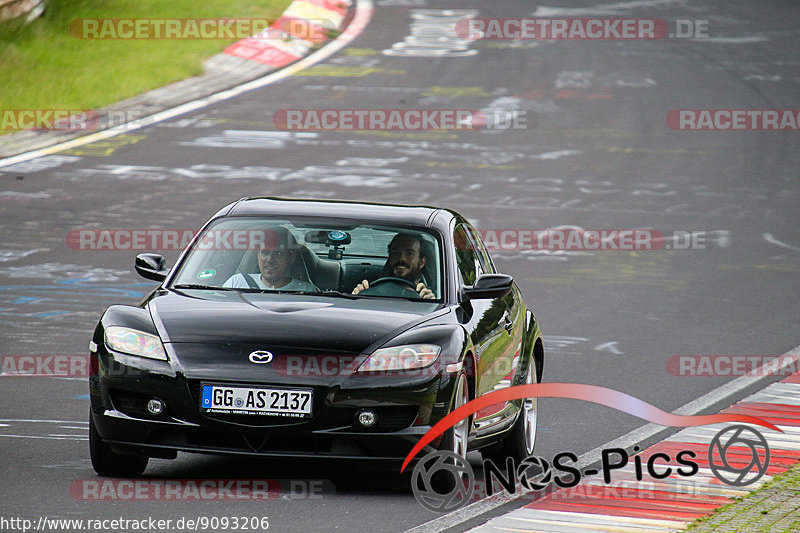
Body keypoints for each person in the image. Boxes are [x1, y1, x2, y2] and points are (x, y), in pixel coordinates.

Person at [224, 227, 317, 291]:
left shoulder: (307, 291)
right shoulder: (236, 283)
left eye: (278, 254)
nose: (270, 259)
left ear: (291, 257)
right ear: (258, 255)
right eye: (265, 253)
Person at [352, 233, 435, 299]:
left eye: (409, 254)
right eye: (396, 252)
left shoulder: (429, 295)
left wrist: (430, 303)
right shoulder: (371, 290)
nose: (402, 259)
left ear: (421, 262)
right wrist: (358, 296)